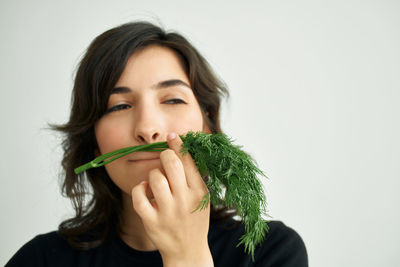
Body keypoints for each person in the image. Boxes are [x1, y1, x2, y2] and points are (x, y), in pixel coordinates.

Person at [6, 21, 308, 267]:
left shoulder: (270, 253)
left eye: (173, 99)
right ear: (93, 142)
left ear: (208, 128)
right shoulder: (41, 260)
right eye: (119, 106)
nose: (148, 129)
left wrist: (187, 257)